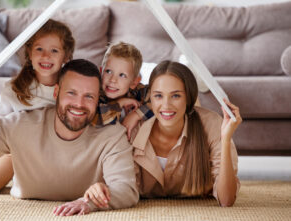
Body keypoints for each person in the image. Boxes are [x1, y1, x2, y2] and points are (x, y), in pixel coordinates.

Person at [0, 59, 139, 216]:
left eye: (89, 96)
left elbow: (127, 190)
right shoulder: (21, 124)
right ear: (56, 92)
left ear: (98, 99)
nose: (79, 104)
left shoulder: (112, 135)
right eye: (71, 93)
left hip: (39, 167)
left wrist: (90, 202)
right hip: (21, 166)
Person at [83, 60, 242, 208]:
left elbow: (226, 200)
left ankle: (189, 69)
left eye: (176, 95)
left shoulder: (212, 124)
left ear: (188, 97)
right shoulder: (133, 131)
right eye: (158, 95)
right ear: (150, 98)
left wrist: (226, 139)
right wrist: (101, 188)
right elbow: (121, 187)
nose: (166, 105)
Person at [0, 19, 75, 194]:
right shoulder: (14, 89)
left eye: (54, 50)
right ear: (29, 53)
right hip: (20, 155)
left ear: (66, 56)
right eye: (39, 49)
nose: (46, 56)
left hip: (57, 156)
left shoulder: (73, 88)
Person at [92, 42, 153, 139]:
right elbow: (95, 118)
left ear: (134, 82)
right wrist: (120, 103)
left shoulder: (137, 91)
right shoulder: (96, 93)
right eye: (108, 71)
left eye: (122, 75)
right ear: (101, 72)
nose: (112, 80)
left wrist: (136, 115)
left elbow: (160, 101)